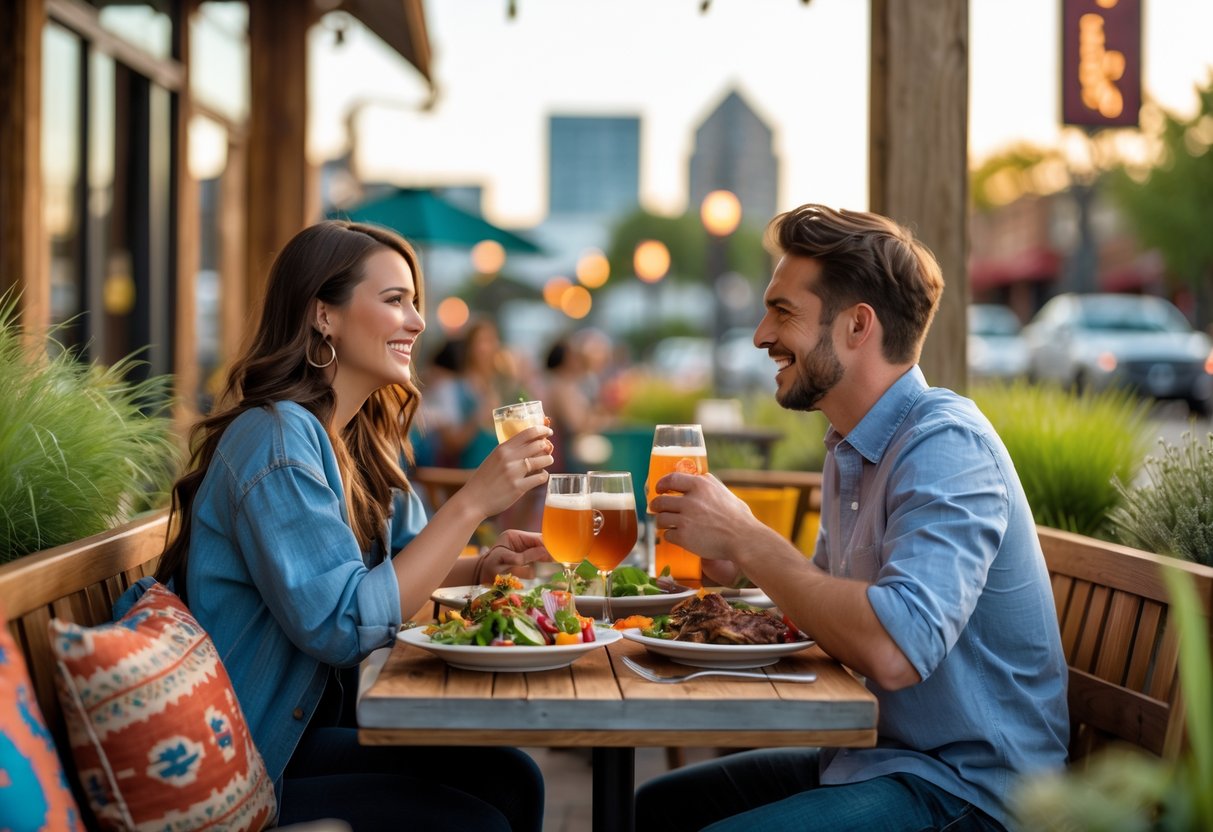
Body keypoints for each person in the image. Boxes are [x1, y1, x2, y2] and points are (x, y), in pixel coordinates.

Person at [637, 204, 1068, 832]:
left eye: (783, 311)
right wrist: (737, 568)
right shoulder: (852, 445)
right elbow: (827, 617)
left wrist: (752, 540)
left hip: (973, 793)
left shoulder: (946, 446)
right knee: (658, 807)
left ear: (857, 325)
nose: (760, 335)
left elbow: (894, 649)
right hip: (878, 760)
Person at [147, 220, 554, 830]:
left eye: (415, 302)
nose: (418, 321)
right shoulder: (276, 440)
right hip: (250, 762)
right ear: (323, 316)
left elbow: (403, 570)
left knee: (511, 777)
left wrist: (479, 566)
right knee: (479, 818)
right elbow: (343, 624)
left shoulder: (356, 437)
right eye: (395, 301)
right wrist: (472, 504)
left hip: (311, 726)